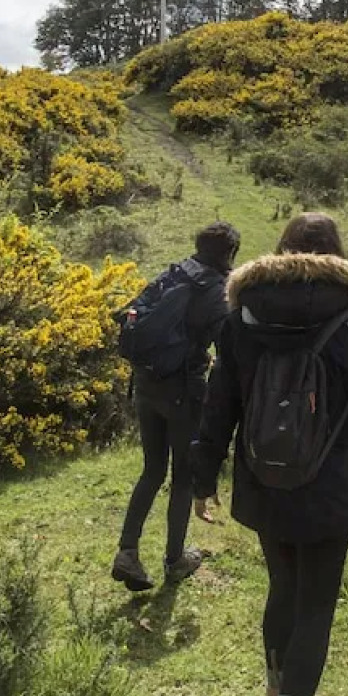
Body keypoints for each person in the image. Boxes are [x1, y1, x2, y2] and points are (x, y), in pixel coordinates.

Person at [192, 212, 348, 696]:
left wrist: (204, 478)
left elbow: (219, 404)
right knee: (316, 602)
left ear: (281, 253)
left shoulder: (241, 318)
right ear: (338, 257)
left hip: (263, 478)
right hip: (332, 484)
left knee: (283, 589)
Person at [111, 222, 239, 591]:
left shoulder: (174, 272)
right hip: (183, 390)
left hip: (146, 384)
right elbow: (227, 345)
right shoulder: (216, 289)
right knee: (182, 475)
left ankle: (127, 552)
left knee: (152, 470)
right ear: (230, 253)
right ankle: (175, 559)